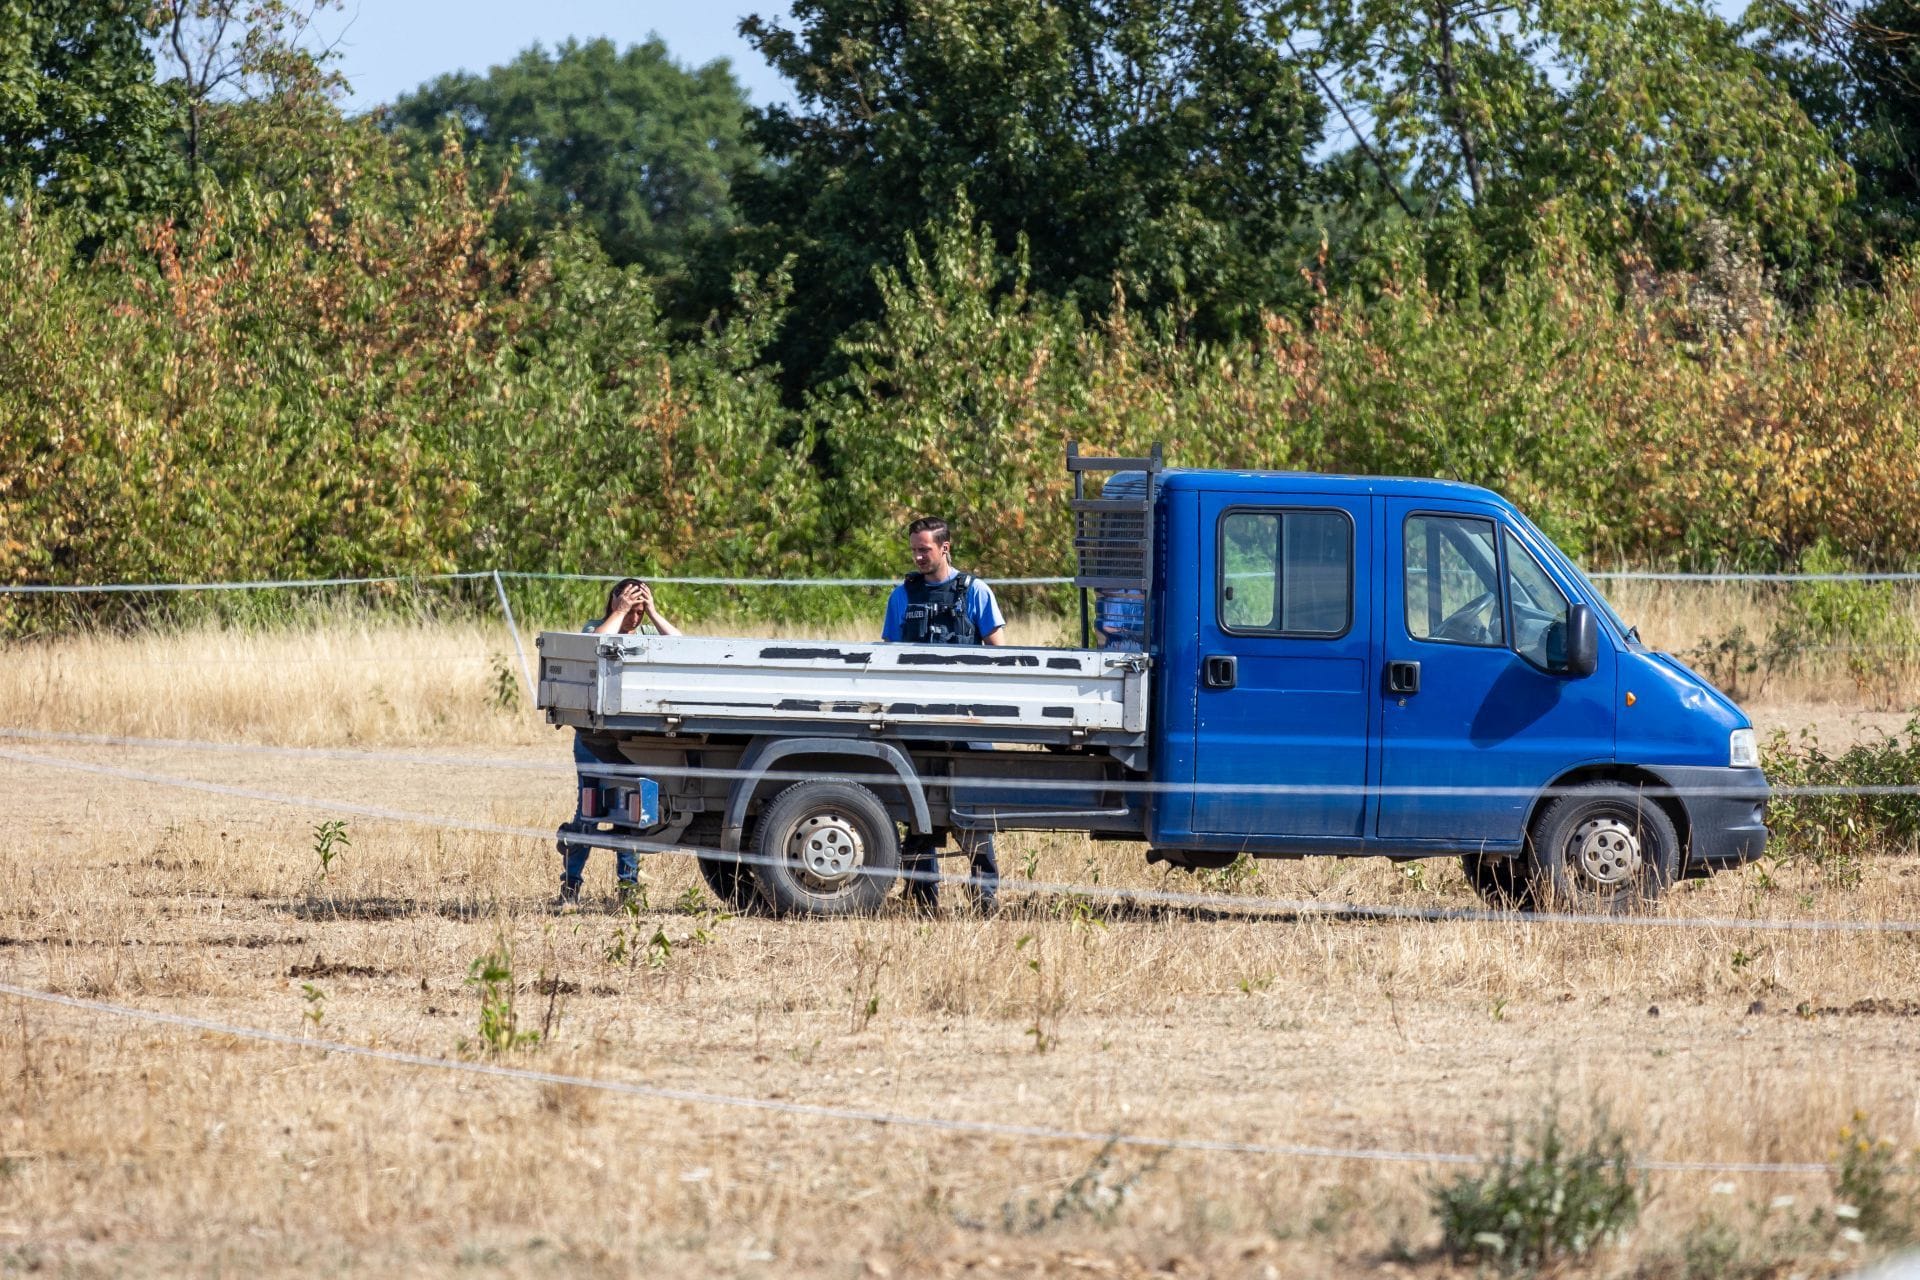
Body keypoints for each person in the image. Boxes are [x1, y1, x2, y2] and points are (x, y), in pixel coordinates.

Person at [881, 517, 1005, 913]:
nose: (918, 556)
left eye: (925, 549)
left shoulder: (976, 592)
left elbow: (999, 655)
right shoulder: (902, 596)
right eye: (914, 549)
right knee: (918, 816)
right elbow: (889, 656)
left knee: (977, 817)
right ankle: (921, 901)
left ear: (945, 548)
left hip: (968, 721)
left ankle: (984, 900)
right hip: (918, 723)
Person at [557, 578, 681, 907]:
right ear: (615, 601)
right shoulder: (597, 626)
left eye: (640, 612)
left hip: (634, 741)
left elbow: (682, 645)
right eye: (632, 610)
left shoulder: (646, 635)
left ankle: (628, 890)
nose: (635, 618)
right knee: (588, 811)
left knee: (631, 812)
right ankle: (570, 884)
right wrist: (619, 612)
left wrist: (653, 613)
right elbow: (594, 645)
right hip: (595, 741)